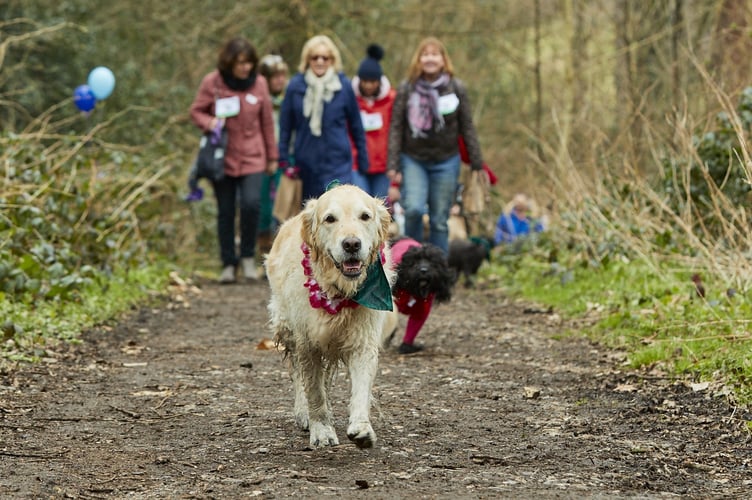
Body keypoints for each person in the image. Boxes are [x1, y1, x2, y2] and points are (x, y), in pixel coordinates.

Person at [190, 37, 278, 284]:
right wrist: (209, 123)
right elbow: (196, 110)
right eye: (240, 63)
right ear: (229, 63)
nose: (245, 68)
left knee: (251, 205)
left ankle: (248, 256)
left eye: (249, 63)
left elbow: (267, 122)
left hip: (253, 157)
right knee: (226, 211)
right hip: (223, 157)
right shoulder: (213, 82)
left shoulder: (259, 84)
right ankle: (228, 263)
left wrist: (273, 156)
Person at [387, 36, 484, 254]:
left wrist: (477, 162)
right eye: (425, 54)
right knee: (412, 210)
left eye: (434, 54)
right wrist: (392, 164)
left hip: (446, 161)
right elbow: (396, 127)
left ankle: (438, 271)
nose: (430, 58)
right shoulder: (406, 88)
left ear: (443, 59)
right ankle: (410, 261)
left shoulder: (456, 88)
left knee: (440, 219)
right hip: (413, 160)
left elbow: (467, 126)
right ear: (418, 59)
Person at [278, 34, 368, 201]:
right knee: (312, 217)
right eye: (315, 57)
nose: (320, 61)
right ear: (307, 60)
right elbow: (285, 126)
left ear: (332, 60)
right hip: (306, 165)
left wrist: (363, 159)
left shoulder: (344, 86)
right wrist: (283, 160)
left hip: (337, 163)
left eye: (325, 58)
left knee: (338, 210)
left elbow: (356, 125)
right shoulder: (295, 87)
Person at [350, 44, 396, 200]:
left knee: (379, 209)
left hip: (383, 167)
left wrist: (394, 166)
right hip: (357, 165)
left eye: (372, 81)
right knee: (361, 204)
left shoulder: (391, 100)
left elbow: (395, 132)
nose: (368, 85)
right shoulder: (351, 100)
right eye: (365, 81)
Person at [256, 54, 289, 257]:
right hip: (260, 158)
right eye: (275, 76)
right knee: (262, 207)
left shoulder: (287, 100)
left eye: (282, 76)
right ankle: (261, 249)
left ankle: (278, 252)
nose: (280, 80)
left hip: (284, 158)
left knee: (282, 206)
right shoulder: (258, 100)